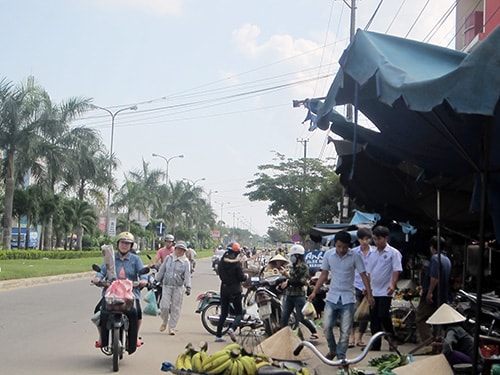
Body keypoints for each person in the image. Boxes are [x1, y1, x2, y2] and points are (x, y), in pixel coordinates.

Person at [308, 231, 374, 360]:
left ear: (348, 246)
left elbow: (363, 275)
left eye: (344, 247)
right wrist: (314, 291)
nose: (342, 249)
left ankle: (341, 356)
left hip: (348, 298)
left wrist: (370, 295)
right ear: (335, 244)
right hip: (332, 297)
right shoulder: (328, 255)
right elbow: (324, 275)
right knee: (326, 326)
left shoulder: (355, 256)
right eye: (339, 246)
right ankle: (333, 349)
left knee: (345, 331)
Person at [92, 231, 148, 353]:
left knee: (137, 312)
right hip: (111, 294)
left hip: (130, 294)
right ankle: (102, 338)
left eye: (128, 243)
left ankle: (135, 337)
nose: (124, 245)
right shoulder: (110, 257)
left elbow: (143, 273)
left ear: (131, 246)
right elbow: (102, 271)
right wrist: (98, 278)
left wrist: (143, 280)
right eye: (122, 242)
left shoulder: (135, 259)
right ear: (118, 244)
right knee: (99, 312)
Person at [366, 225, 403, 351]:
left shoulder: (394, 253)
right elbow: (369, 272)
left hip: (385, 290)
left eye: (379, 239)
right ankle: (376, 343)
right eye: (375, 239)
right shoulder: (372, 254)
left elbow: (396, 270)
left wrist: (393, 284)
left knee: (383, 314)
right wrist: (367, 288)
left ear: (385, 238)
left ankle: (392, 336)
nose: (376, 242)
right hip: (374, 290)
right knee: (374, 318)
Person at [416, 235, 452, 343]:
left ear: (432, 247)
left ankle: (428, 343)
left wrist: (429, 293)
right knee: (438, 320)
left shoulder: (435, 258)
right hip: (442, 296)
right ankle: (438, 343)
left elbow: (434, 277)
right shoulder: (447, 260)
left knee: (420, 318)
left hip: (433, 295)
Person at [279, 244, 319, 341]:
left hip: (298, 295)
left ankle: (314, 331)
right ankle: (283, 337)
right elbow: (292, 278)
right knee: (284, 317)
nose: (291, 258)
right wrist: (286, 275)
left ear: (297, 256)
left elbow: (301, 281)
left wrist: (288, 282)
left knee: (301, 318)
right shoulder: (293, 266)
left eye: (293, 256)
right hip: (289, 295)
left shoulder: (304, 267)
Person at [426, 303, 482, 371]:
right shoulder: (458, 328)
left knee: (450, 354)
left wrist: (439, 358)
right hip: (475, 359)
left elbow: (448, 345)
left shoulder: (453, 329)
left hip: (476, 363)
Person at [155, 240, 192, 335]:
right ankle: (164, 320)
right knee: (164, 306)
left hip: (178, 287)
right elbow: (162, 270)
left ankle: (172, 327)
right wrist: (156, 280)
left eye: (182, 250)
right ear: (175, 249)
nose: (180, 251)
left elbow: (187, 275)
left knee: (176, 308)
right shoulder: (168, 258)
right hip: (167, 286)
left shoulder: (186, 262)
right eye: (179, 249)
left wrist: (188, 287)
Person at [215, 242, 248, 342]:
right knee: (239, 313)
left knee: (224, 314)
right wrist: (246, 276)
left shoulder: (221, 262)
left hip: (224, 290)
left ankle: (218, 335)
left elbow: (220, 274)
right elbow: (241, 277)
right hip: (235, 291)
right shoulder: (237, 264)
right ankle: (232, 329)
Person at [349, 227, 375, 348]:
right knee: (354, 311)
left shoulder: (374, 253)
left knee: (365, 313)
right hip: (355, 285)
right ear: (358, 239)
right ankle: (351, 336)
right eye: (362, 239)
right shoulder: (353, 253)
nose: (365, 241)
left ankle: (360, 337)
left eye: (367, 239)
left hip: (369, 287)